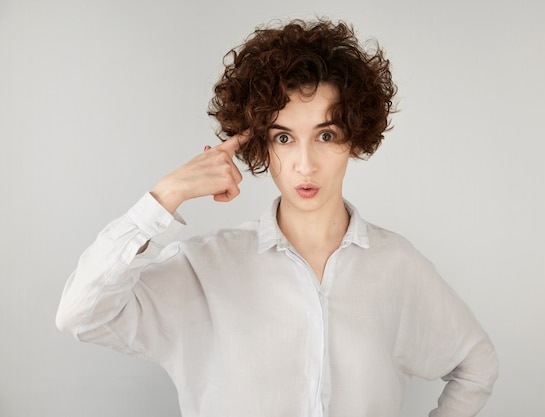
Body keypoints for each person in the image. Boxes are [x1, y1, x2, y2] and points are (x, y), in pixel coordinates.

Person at [56, 18, 498, 417]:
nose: (305, 164)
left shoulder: (397, 266)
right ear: (260, 146)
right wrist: (167, 194)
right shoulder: (203, 269)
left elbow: (476, 364)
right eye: (284, 137)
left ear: (355, 141)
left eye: (326, 135)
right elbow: (82, 316)